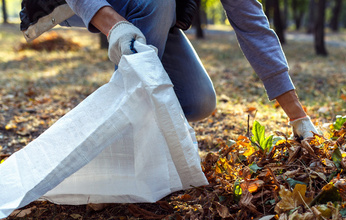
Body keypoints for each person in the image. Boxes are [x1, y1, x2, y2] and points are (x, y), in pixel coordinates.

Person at [21, 0, 319, 139]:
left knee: (197, 100)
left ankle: (139, 125)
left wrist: (298, 117)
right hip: (78, 3)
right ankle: (117, 142)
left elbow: (252, 23)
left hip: (149, 6)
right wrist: (114, 26)